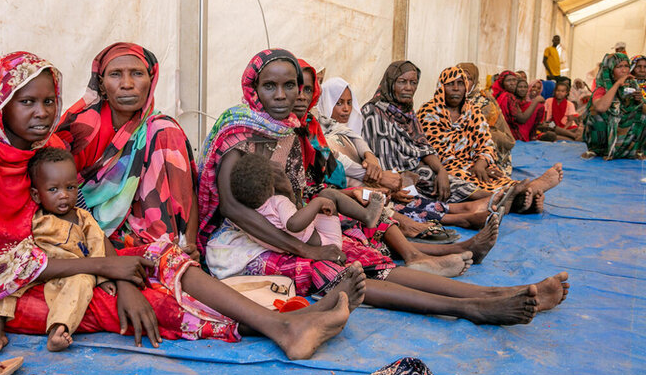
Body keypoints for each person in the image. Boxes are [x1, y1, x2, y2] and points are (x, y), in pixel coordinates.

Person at [0, 50, 360, 362]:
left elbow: (76, 224)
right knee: (132, 306)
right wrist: (108, 272)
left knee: (157, 256)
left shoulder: (40, 148)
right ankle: (276, 326)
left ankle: (282, 323)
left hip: (61, 260)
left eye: (49, 101)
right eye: (26, 102)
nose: (43, 113)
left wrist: (115, 267)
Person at [198, 49, 570, 326]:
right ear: (253, 88)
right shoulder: (240, 133)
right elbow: (232, 208)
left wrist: (317, 228)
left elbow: (295, 195)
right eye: (270, 86)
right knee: (332, 268)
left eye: (289, 85)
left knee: (357, 253)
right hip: (242, 243)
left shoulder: (289, 130)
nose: (281, 95)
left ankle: (493, 294)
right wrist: (306, 246)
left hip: (283, 226)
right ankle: (471, 308)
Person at [316, 75, 492, 231]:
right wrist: (382, 177)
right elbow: (341, 162)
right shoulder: (368, 114)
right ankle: (456, 217)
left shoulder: (347, 126)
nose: (346, 109)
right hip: (357, 184)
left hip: (379, 175)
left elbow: (365, 146)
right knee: (386, 192)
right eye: (338, 103)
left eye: (348, 102)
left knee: (408, 184)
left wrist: (374, 162)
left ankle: (460, 209)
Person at [0, 147, 116, 355]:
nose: (63, 195)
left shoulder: (83, 218)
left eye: (70, 187)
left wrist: (104, 279)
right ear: (36, 195)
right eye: (53, 189)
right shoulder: (34, 218)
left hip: (72, 271)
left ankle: (59, 329)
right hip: (39, 271)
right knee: (4, 280)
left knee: (82, 282)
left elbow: (97, 245)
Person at [418, 66, 563, 212]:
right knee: (464, 179)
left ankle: (520, 197)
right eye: (450, 84)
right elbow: (433, 150)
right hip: (446, 166)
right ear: (441, 87)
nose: (456, 88)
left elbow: (486, 142)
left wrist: (481, 163)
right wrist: (469, 166)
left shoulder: (472, 111)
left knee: (495, 177)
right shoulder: (429, 112)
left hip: (474, 163)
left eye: (461, 84)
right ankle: (523, 195)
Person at [361, 61, 493, 205]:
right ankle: (487, 204)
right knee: (429, 192)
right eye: (402, 82)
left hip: (414, 171)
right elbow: (382, 161)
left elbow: (423, 146)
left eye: (413, 83)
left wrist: (441, 171)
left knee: (443, 180)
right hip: (389, 179)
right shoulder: (373, 112)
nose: (409, 88)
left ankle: (494, 199)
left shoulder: (408, 112)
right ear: (390, 83)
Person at [231, 152, 384, 248]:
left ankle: (366, 216)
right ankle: (367, 216)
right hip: (327, 241)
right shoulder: (277, 201)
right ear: (271, 188)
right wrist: (318, 203)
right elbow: (293, 224)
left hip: (312, 237)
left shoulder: (249, 212)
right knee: (328, 194)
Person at [582, 53, 646, 160]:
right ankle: (596, 149)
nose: (624, 70)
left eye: (626, 66)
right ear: (610, 70)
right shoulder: (601, 89)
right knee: (596, 113)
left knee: (642, 113)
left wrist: (639, 102)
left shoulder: (632, 86)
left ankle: (632, 150)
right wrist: (617, 85)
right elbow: (601, 108)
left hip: (622, 134)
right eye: (619, 67)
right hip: (606, 137)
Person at [458, 62, 515, 175]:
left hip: (484, 150)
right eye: (460, 79)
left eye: (468, 79)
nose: (463, 83)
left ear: (474, 82)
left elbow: (483, 136)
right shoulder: (446, 98)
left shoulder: (483, 102)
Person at [492, 71, 545, 142]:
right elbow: (522, 119)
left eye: (514, 80)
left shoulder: (500, 94)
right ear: (502, 83)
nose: (512, 83)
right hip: (511, 134)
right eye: (508, 80)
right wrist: (536, 101)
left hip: (500, 132)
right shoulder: (509, 97)